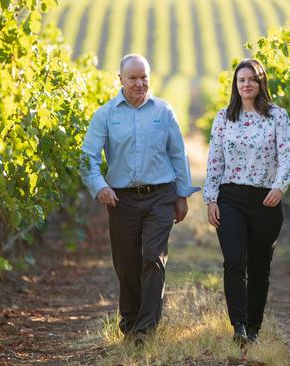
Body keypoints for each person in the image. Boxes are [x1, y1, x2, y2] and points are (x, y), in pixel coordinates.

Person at [80, 54, 199, 343]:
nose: (139, 83)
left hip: (160, 195)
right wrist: (100, 187)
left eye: (144, 77)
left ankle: (145, 329)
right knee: (126, 262)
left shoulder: (163, 111)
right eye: (133, 78)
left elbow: (177, 154)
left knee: (152, 256)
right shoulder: (105, 115)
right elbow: (87, 159)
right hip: (121, 199)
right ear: (119, 79)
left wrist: (182, 195)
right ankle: (130, 321)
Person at [203, 58, 290, 344]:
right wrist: (211, 199)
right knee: (234, 260)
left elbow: (288, 154)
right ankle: (239, 326)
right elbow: (215, 160)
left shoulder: (277, 116)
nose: (246, 84)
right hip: (230, 197)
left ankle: (254, 328)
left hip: (265, 199)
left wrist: (280, 187)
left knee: (259, 266)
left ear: (261, 83)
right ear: (235, 84)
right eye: (241, 80)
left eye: (252, 79)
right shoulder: (224, 117)